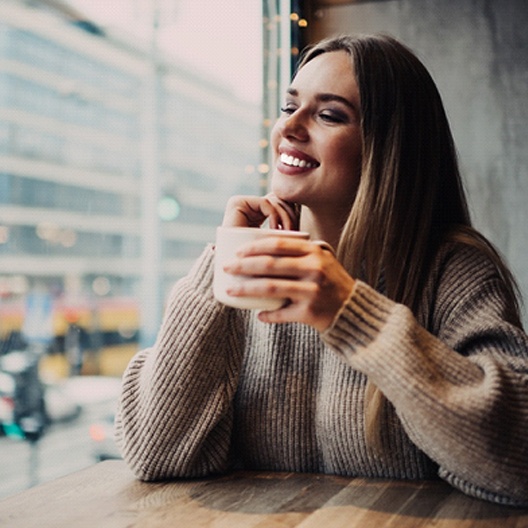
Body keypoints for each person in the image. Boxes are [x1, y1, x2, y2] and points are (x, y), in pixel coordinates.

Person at [115, 34, 528, 506]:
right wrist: (219, 264)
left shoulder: (453, 270)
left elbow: (517, 462)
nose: (289, 127)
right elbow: (155, 455)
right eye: (289, 106)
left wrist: (352, 313)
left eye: (328, 114)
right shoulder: (249, 266)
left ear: (388, 148)